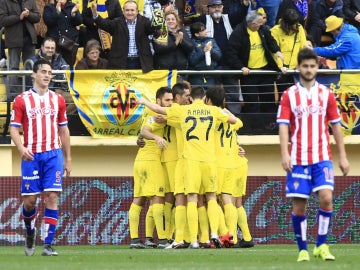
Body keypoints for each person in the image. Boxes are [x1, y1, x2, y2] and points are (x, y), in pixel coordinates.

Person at [138, 86, 238, 249]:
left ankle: (191, 240)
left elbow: (158, 109)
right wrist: (221, 111)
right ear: (205, 98)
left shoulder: (183, 111)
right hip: (210, 160)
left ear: (191, 98)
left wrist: (143, 101)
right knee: (211, 197)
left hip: (190, 160)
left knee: (189, 199)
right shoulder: (213, 111)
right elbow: (233, 121)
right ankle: (214, 233)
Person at [277, 48, 350, 262]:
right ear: (299, 67)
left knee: (327, 199)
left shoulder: (326, 94)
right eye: (305, 66)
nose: (309, 70)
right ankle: (302, 249)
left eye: (312, 66)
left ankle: (321, 245)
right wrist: (284, 153)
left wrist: (343, 156)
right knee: (300, 204)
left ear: (317, 67)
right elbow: (282, 126)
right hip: (298, 158)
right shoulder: (289, 94)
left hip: (322, 156)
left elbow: (336, 127)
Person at [9, 59, 71, 256]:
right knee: (30, 201)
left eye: (49, 72)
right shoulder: (21, 100)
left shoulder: (58, 100)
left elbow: (63, 129)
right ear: (34, 75)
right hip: (32, 155)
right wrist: (21, 148)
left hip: (54, 154)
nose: (47, 75)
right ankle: (29, 233)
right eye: (43, 71)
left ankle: (48, 244)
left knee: (52, 196)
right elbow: (13, 128)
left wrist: (68, 158)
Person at [129, 87, 173, 249]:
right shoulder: (156, 115)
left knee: (139, 200)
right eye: (167, 100)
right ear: (158, 101)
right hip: (151, 161)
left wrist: (141, 138)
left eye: (171, 100)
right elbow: (145, 130)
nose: (170, 103)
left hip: (140, 160)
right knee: (157, 199)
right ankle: (162, 240)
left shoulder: (152, 114)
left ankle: (135, 240)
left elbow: (142, 134)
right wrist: (156, 137)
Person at [226, 10, 284, 131]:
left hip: (265, 71)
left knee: (268, 100)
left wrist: (277, 50)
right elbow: (231, 53)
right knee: (252, 103)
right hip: (249, 74)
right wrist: (241, 67)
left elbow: (271, 41)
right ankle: (254, 128)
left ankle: (270, 127)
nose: (261, 24)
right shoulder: (238, 33)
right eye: (258, 23)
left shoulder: (263, 29)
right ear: (251, 24)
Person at [91, 0, 156, 72]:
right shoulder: (117, 22)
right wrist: (95, 14)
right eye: (127, 10)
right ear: (123, 11)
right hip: (121, 63)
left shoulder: (145, 22)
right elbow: (104, 24)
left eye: (132, 10)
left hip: (141, 62)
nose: (130, 13)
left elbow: (153, 29)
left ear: (137, 11)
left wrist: (160, 22)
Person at [0, 0, 40, 101]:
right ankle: (12, 96)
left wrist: (28, 14)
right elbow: (3, 20)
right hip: (14, 40)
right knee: (13, 68)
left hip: (29, 39)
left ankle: (30, 94)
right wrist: (19, 17)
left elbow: (37, 17)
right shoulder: (4, 1)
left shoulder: (31, 1)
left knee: (30, 68)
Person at [271, 8, 307, 98]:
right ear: (287, 24)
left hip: (296, 69)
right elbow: (274, 51)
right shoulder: (275, 31)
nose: (296, 25)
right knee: (284, 97)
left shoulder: (299, 28)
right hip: (283, 70)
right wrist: (280, 67)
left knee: (298, 97)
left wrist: (302, 64)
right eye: (294, 24)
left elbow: (304, 47)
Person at [43, 0, 83, 68]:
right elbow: (48, 21)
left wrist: (73, 14)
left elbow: (79, 21)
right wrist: (57, 12)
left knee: (68, 67)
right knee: (53, 66)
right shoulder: (49, 7)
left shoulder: (72, 6)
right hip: (55, 43)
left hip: (69, 43)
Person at [188, 22, 222, 88]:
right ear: (196, 34)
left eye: (205, 29)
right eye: (202, 30)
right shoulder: (191, 43)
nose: (206, 31)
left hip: (211, 75)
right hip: (197, 76)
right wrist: (203, 51)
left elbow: (219, 56)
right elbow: (192, 60)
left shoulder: (212, 40)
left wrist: (211, 50)